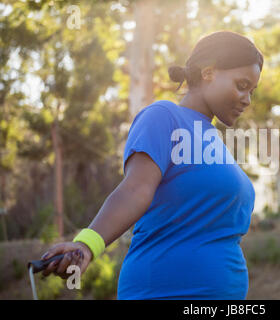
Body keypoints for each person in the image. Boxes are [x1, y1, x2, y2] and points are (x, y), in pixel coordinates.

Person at [40, 30, 264, 300]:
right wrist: (87, 245)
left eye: (252, 91)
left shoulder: (215, 142)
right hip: (163, 291)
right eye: (241, 85)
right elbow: (135, 190)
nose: (247, 100)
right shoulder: (163, 117)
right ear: (208, 72)